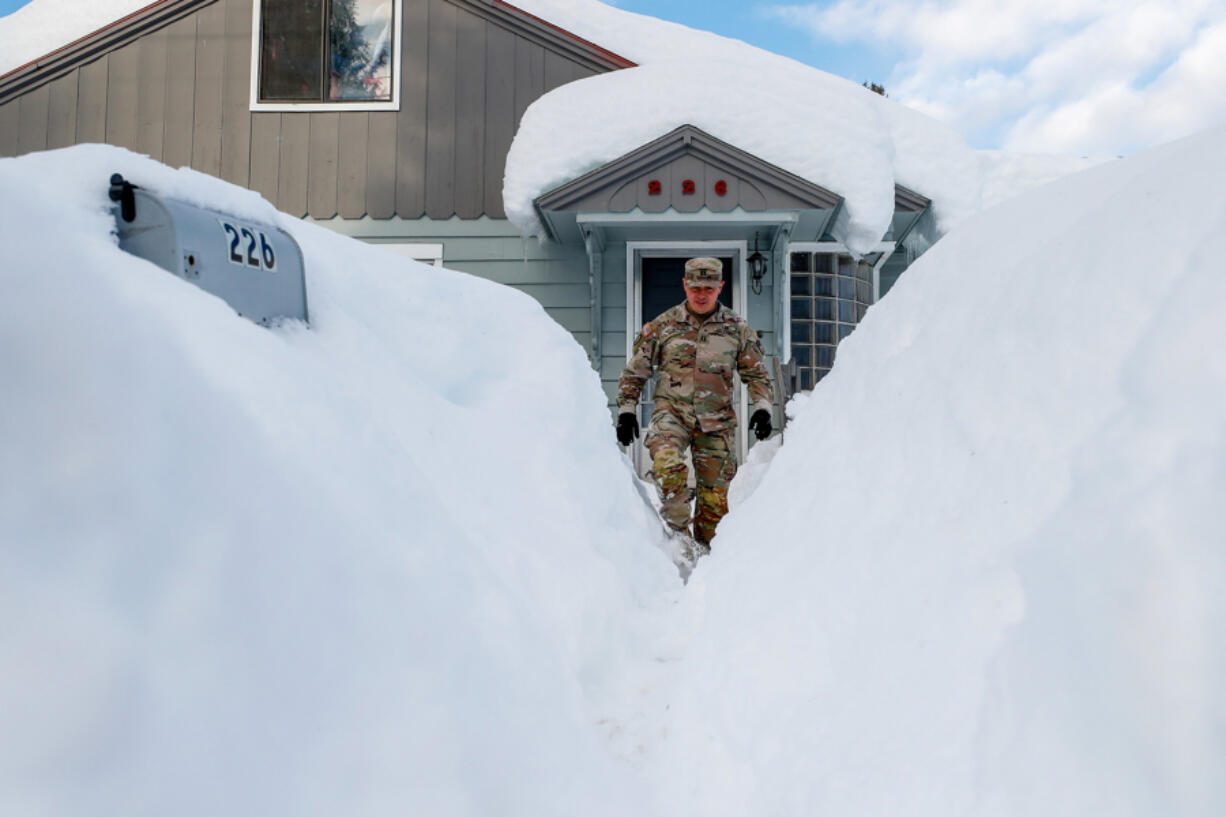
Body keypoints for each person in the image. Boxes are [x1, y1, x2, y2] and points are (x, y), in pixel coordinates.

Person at [615, 257, 774, 562]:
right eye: (696, 287)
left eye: (709, 288)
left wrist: (763, 408)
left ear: (721, 287)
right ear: (685, 285)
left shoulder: (737, 330)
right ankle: (677, 546)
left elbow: (757, 376)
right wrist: (626, 410)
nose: (702, 294)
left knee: (716, 504)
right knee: (667, 466)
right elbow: (634, 373)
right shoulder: (663, 326)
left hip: (717, 424)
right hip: (671, 415)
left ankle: (706, 561)